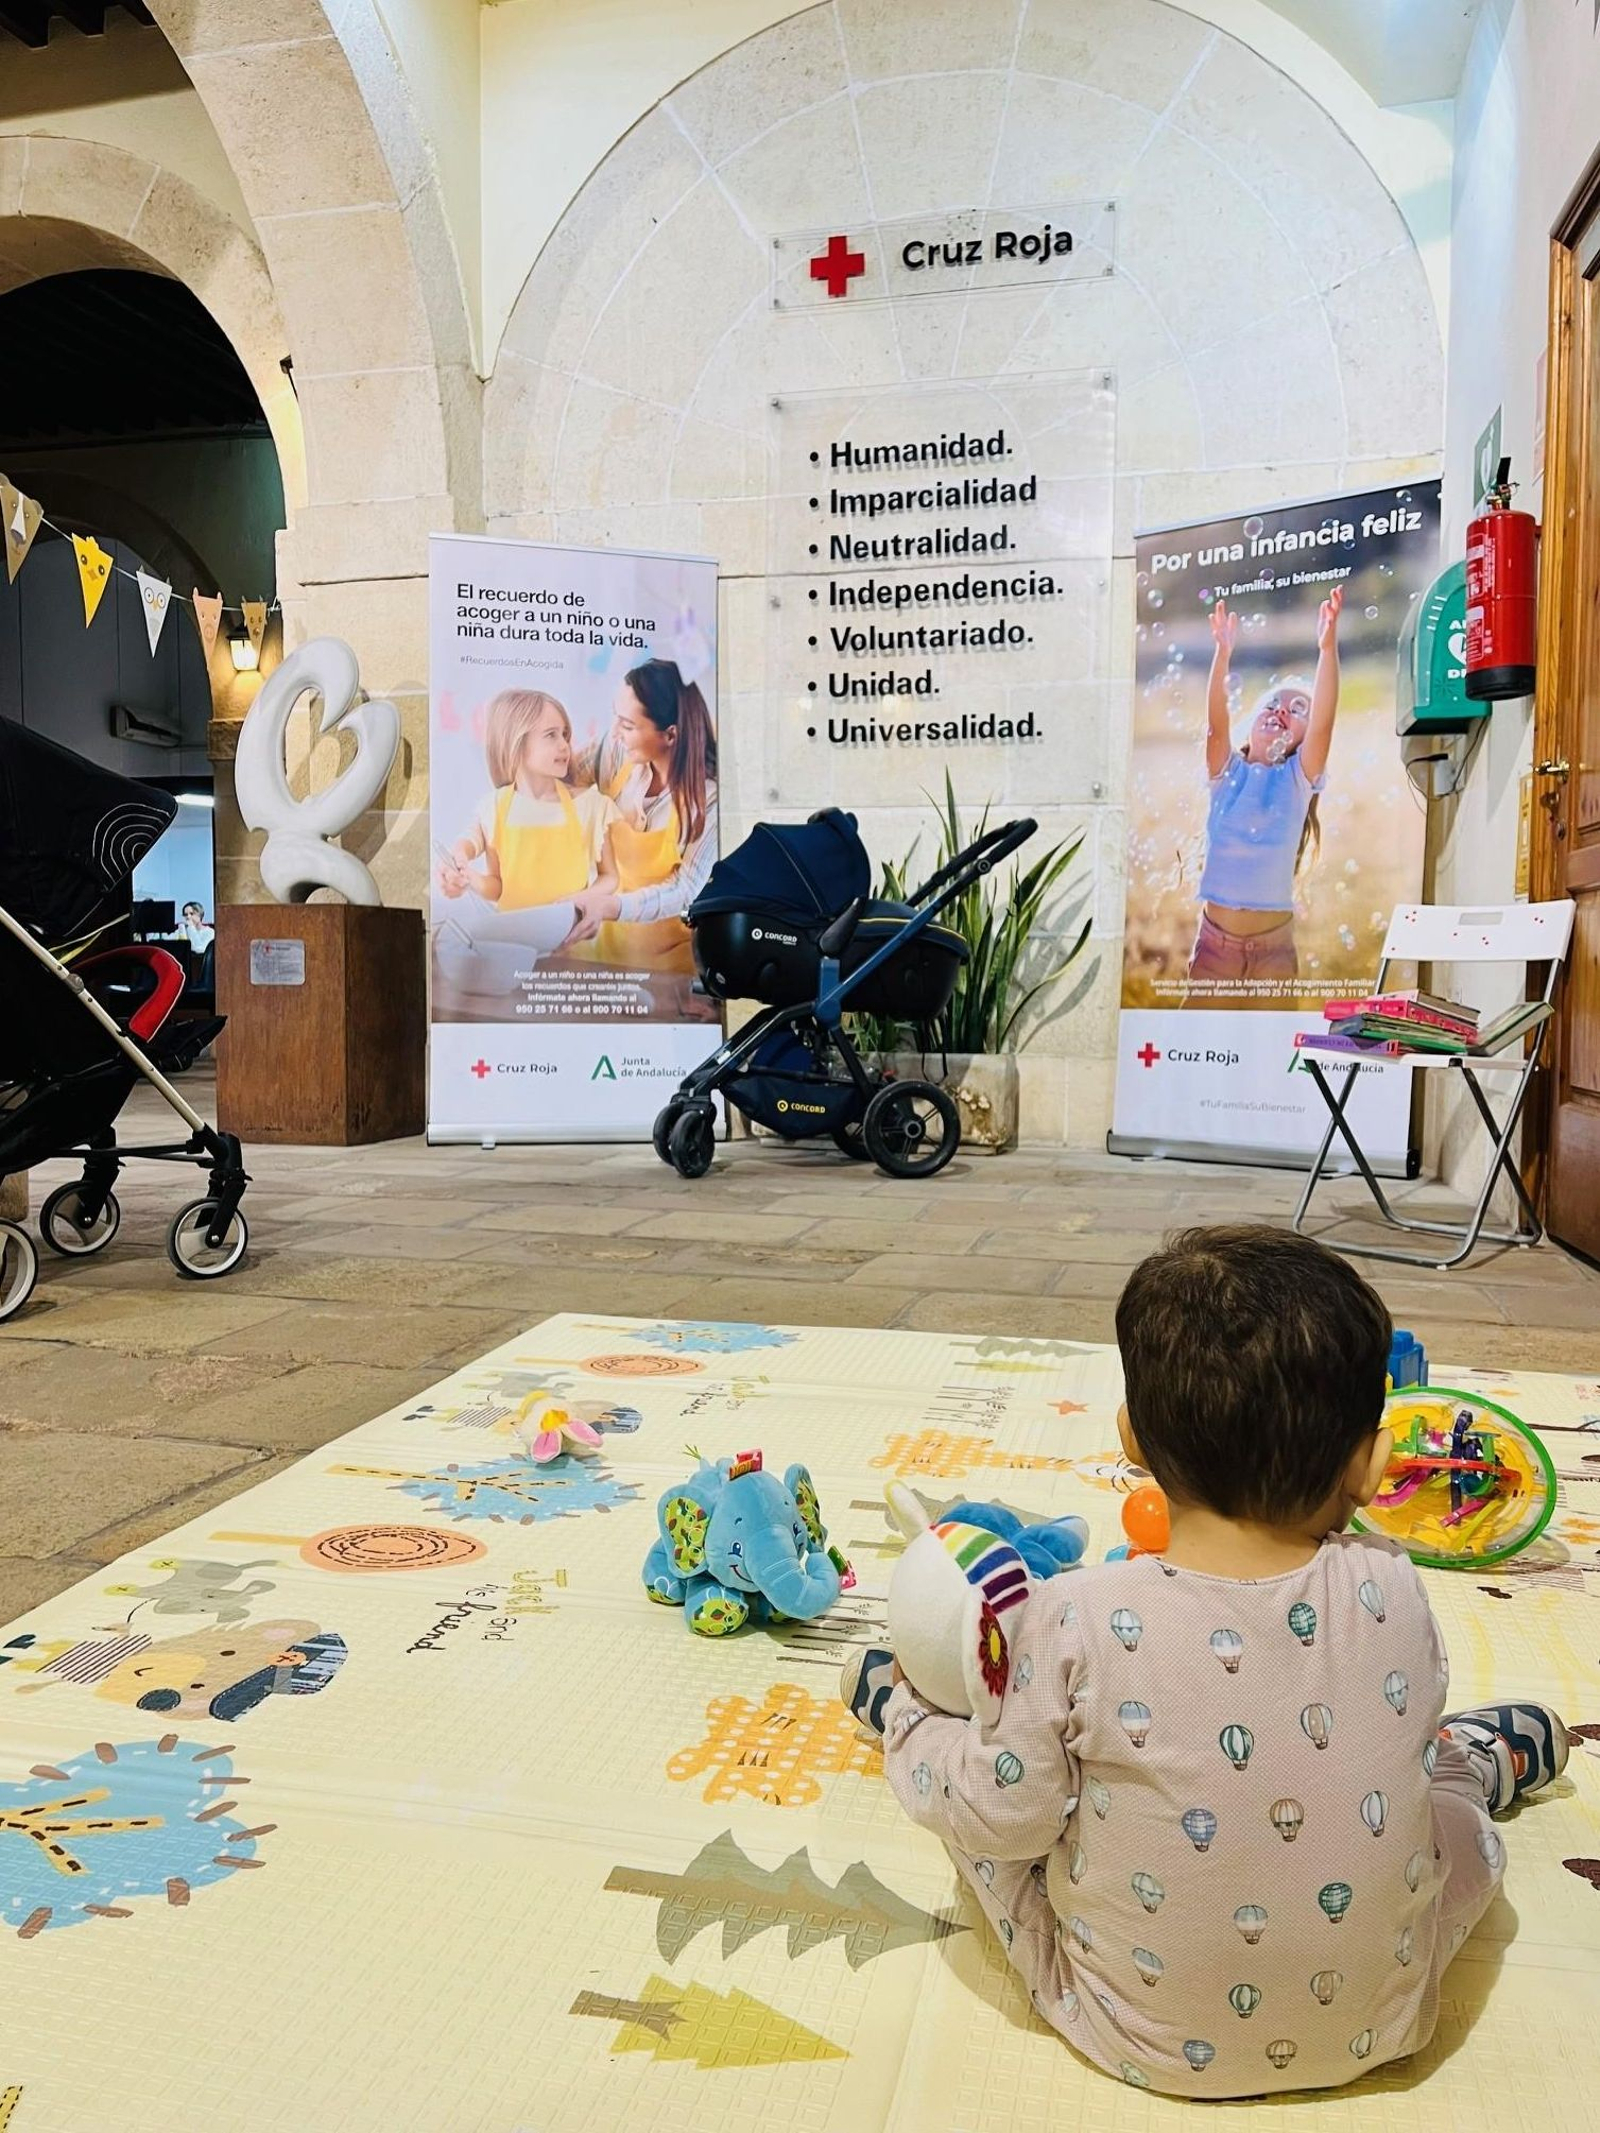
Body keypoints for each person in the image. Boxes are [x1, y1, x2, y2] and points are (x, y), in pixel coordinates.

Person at [848, 1225, 1568, 2101]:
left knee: (987, 1818)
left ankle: (896, 1706)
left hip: (1136, 2031)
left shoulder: (1071, 1616)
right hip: (1382, 2019)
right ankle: (1485, 1764)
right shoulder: (1397, 1589)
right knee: (1435, 1803)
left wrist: (914, 1722)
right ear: (1374, 1464)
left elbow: (1010, 1818)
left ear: (1131, 1437)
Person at [1188, 587, 1342, 996]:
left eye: (1297, 710)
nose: (1282, 710)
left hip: (1274, 952)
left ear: (1303, 740)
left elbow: (1325, 722)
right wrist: (1222, 654)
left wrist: (1327, 649)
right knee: (1198, 1049)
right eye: (1274, 703)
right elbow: (1215, 726)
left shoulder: (1296, 780)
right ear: (1253, 718)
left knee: (1269, 1056)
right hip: (1214, 947)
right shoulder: (1226, 774)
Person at [564, 658, 717, 971]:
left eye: (629, 725)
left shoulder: (708, 800)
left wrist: (611, 906)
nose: (616, 732)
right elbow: (561, 781)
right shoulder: (616, 752)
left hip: (670, 968)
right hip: (605, 949)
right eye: (616, 717)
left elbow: (686, 891)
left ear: (670, 735)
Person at [437, 689, 616, 917]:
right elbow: (495, 883)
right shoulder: (495, 807)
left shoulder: (590, 805)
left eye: (565, 734)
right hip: (513, 941)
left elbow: (610, 877)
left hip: (572, 939)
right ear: (516, 743)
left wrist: (580, 899)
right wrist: (465, 874)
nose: (565, 745)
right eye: (551, 735)